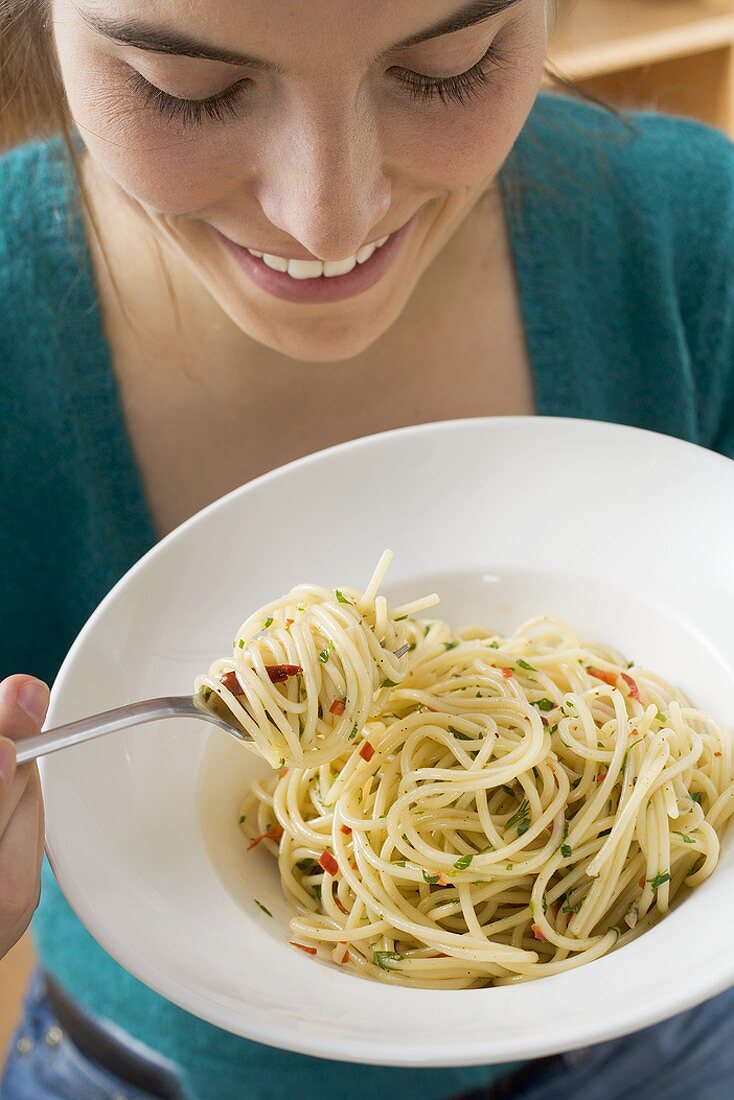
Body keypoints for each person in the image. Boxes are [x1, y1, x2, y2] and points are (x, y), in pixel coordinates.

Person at [2, 0, 734, 1097]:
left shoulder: (693, 237)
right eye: (185, 88)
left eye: (447, 66)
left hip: (667, 1037)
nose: (324, 215)